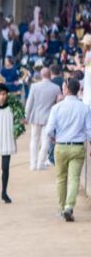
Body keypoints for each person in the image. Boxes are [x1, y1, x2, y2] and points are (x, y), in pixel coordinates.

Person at [44, 78, 91, 222]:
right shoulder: (85, 108)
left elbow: (49, 130)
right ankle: (69, 206)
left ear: (66, 89)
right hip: (77, 147)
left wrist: (54, 138)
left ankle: (62, 207)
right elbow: (89, 130)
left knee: (61, 179)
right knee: (74, 178)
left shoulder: (57, 108)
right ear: (78, 90)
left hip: (61, 146)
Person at [25, 67, 62, 170]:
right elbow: (59, 102)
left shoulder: (34, 86)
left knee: (34, 139)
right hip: (49, 116)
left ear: (41, 75)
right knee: (45, 140)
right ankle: (40, 163)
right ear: (50, 75)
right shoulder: (56, 88)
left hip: (36, 116)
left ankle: (33, 164)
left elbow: (29, 103)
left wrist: (26, 116)